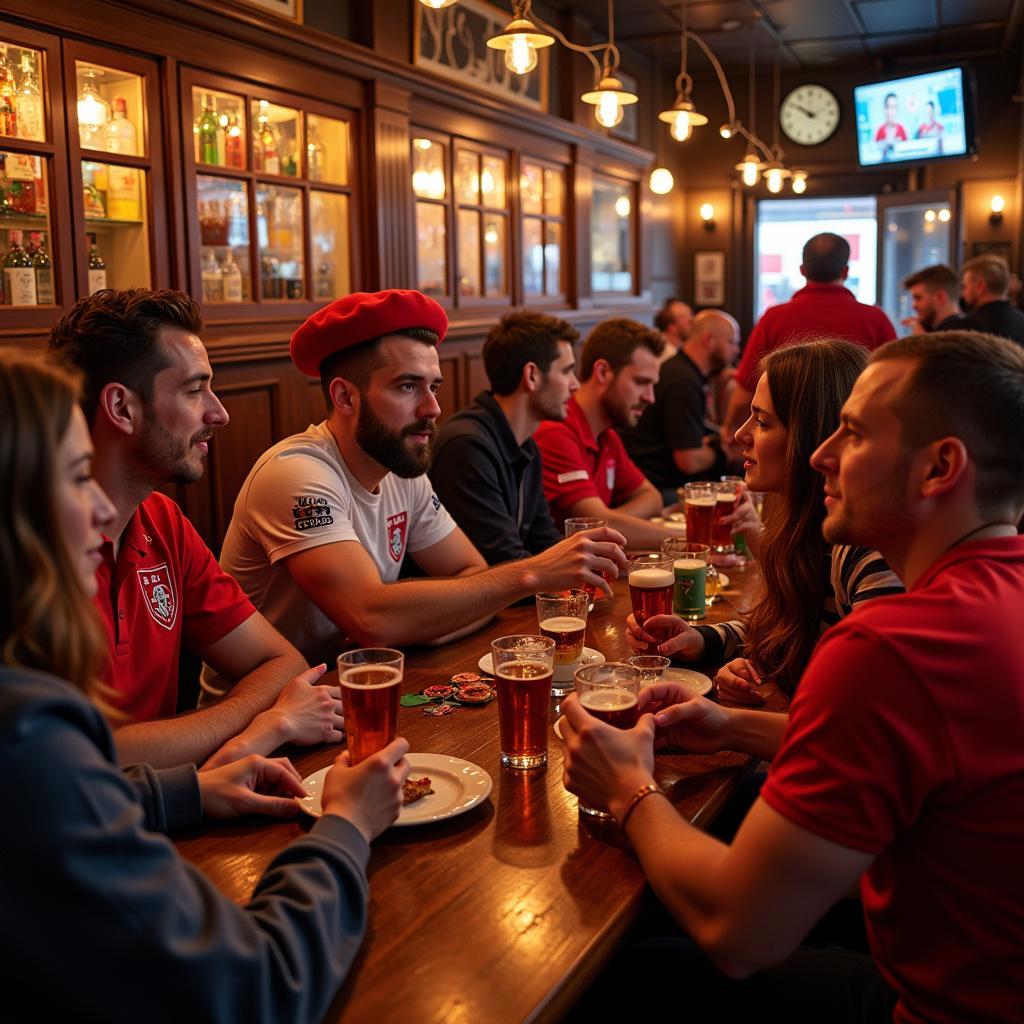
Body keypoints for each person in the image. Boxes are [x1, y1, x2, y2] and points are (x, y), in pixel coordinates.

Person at [562, 330, 1024, 1021]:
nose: (821, 455)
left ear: (939, 470)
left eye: (853, 434)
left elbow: (738, 931)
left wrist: (627, 790)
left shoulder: (892, 645)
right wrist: (729, 725)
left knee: (615, 974)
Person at [0, 348, 411, 1022]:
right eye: (77, 479)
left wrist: (184, 791)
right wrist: (345, 826)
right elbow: (258, 988)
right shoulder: (24, 730)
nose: (102, 513)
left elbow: (75, 791)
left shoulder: (160, 522)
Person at [214, 290, 626, 677]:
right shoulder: (296, 473)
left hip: (354, 693)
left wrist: (407, 624)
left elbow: (474, 574)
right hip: (259, 719)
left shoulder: (401, 471)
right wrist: (531, 574)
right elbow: (372, 617)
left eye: (434, 386)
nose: (432, 408)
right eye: (408, 386)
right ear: (344, 397)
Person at [49, 289, 344, 769]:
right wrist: (265, 725)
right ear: (122, 408)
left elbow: (282, 664)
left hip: (171, 807)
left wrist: (236, 732)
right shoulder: (31, 545)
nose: (219, 413)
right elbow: (73, 762)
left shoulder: (161, 520)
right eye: (194, 390)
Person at [628, 339, 902, 703]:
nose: (741, 434)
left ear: (812, 436)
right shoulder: (807, 526)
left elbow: (861, 723)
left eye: (762, 421)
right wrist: (703, 640)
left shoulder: (869, 552)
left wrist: (727, 724)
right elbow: (791, 627)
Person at [429, 311, 576, 565]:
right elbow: (504, 564)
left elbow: (545, 542)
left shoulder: (526, 444)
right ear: (531, 375)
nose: (575, 384)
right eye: (566, 372)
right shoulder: (466, 447)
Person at [722, 233, 896, 440]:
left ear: (802, 271)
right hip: (854, 438)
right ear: (846, 271)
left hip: (788, 440)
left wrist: (728, 430)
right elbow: (894, 387)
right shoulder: (876, 319)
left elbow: (745, 392)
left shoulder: (774, 318)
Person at [534, 317, 683, 549]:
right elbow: (593, 524)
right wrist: (691, 540)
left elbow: (652, 498)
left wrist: (610, 521)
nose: (650, 397)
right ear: (603, 372)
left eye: (652, 385)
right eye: (641, 382)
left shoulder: (607, 435)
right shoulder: (555, 431)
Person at [618, 310, 741, 503]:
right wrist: (725, 452)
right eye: (732, 342)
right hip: (657, 487)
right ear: (708, 340)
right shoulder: (683, 380)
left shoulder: (684, 371)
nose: (736, 350)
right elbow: (689, 461)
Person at [961, 253, 1024, 344]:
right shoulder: (1021, 320)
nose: (963, 294)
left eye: (965, 286)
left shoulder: (969, 326)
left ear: (980, 286)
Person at [901, 263, 970, 333]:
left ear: (940, 297)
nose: (913, 306)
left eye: (918, 298)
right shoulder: (965, 328)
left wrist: (922, 340)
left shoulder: (952, 336)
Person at [654, 297, 694, 363]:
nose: (691, 321)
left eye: (690, 314)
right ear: (672, 327)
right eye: (683, 316)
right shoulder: (664, 355)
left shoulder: (683, 350)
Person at [874, 92, 907, 158]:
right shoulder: (879, 130)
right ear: (884, 109)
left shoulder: (902, 129)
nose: (890, 111)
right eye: (888, 107)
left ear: (897, 109)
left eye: (893, 107)